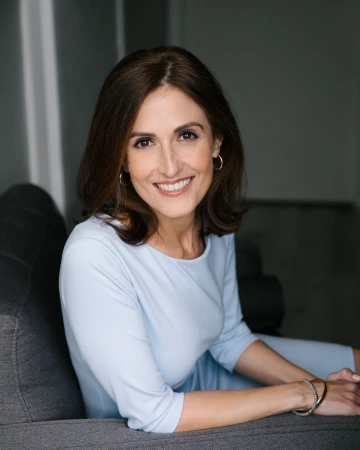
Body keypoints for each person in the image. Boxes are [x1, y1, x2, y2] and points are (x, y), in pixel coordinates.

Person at [59, 45, 360, 433]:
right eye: (144, 142)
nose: (170, 166)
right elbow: (154, 413)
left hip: (211, 376)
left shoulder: (205, 219)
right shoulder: (93, 255)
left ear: (216, 141)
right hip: (165, 428)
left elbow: (229, 338)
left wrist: (324, 387)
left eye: (186, 135)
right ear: (121, 158)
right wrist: (309, 392)